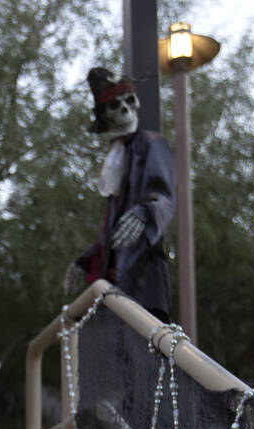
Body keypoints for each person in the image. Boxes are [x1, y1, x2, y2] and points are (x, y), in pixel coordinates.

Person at [64, 67, 175, 321]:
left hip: (144, 286)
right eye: (115, 105)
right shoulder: (118, 157)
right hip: (115, 288)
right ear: (106, 116)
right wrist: (87, 259)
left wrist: (145, 212)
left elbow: (163, 197)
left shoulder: (151, 142)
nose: (125, 110)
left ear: (136, 104)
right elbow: (114, 231)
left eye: (129, 101)